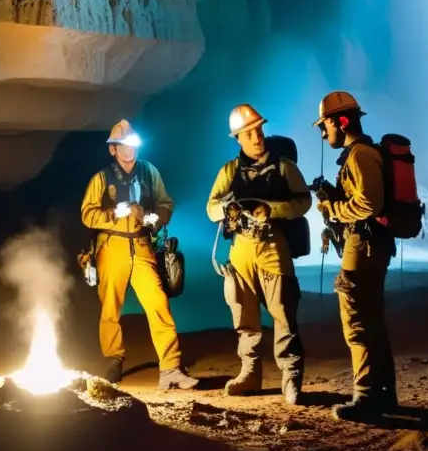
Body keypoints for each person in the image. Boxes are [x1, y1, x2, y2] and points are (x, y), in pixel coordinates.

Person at [81, 119, 199, 390]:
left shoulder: (149, 172)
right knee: (110, 308)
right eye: (123, 145)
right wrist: (115, 213)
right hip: (112, 246)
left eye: (132, 144)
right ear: (113, 149)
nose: (129, 149)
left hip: (143, 245)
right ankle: (113, 360)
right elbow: (87, 213)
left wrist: (151, 218)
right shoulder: (101, 179)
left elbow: (165, 203)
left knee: (158, 304)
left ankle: (170, 368)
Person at [206, 104, 311, 405]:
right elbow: (211, 207)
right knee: (244, 314)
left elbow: (303, 201)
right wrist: (227, 210)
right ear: (237, 138)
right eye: (249, 133)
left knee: (283, 313)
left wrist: (272, 210)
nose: (257, 136)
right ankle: (250, 372)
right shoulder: (229, 171)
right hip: (241, 248)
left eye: (259, 129)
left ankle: (291, 374)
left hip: (272, 245)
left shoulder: (283, 167)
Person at [313, 91, 397, 422]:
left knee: (357, 321)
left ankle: (366, 397)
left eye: (325, 126)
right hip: (369, 245)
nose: (323, 133)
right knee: (372, 320)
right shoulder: (362, 154)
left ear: (340, 121)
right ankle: (385, 394)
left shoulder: (361, 155)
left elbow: (368, 204)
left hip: (362, 247)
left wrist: (332, 208)